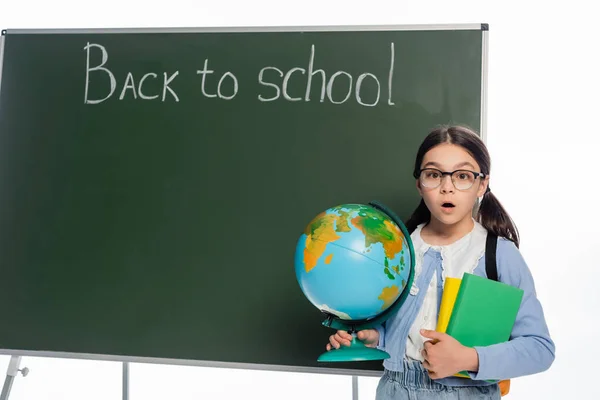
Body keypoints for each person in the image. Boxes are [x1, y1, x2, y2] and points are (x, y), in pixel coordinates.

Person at [326, 125, 555, 399]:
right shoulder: (400, 247)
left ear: (482, 184)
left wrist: (469, 358)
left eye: (462, 176)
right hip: (394, 390)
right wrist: (374, 337)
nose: (447, 188)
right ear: (419, 184)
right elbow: (396, 328)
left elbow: (540, 349)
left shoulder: (498, 255)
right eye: (433, 174)